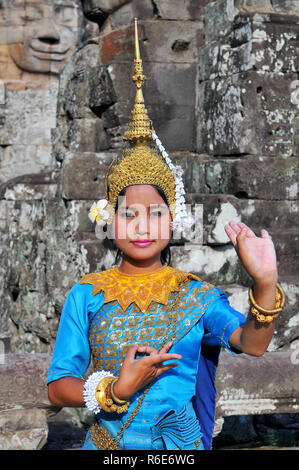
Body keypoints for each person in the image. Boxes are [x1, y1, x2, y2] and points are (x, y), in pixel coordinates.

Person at [46, 19, 285, 451]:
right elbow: (58, 385)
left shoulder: (196, 296)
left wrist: (265, 283)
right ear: (108, 219)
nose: (141, 225)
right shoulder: (86, 295)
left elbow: (251, 344)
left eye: (156, 214)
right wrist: (114, 390)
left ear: (173, 221)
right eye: (129, 214)